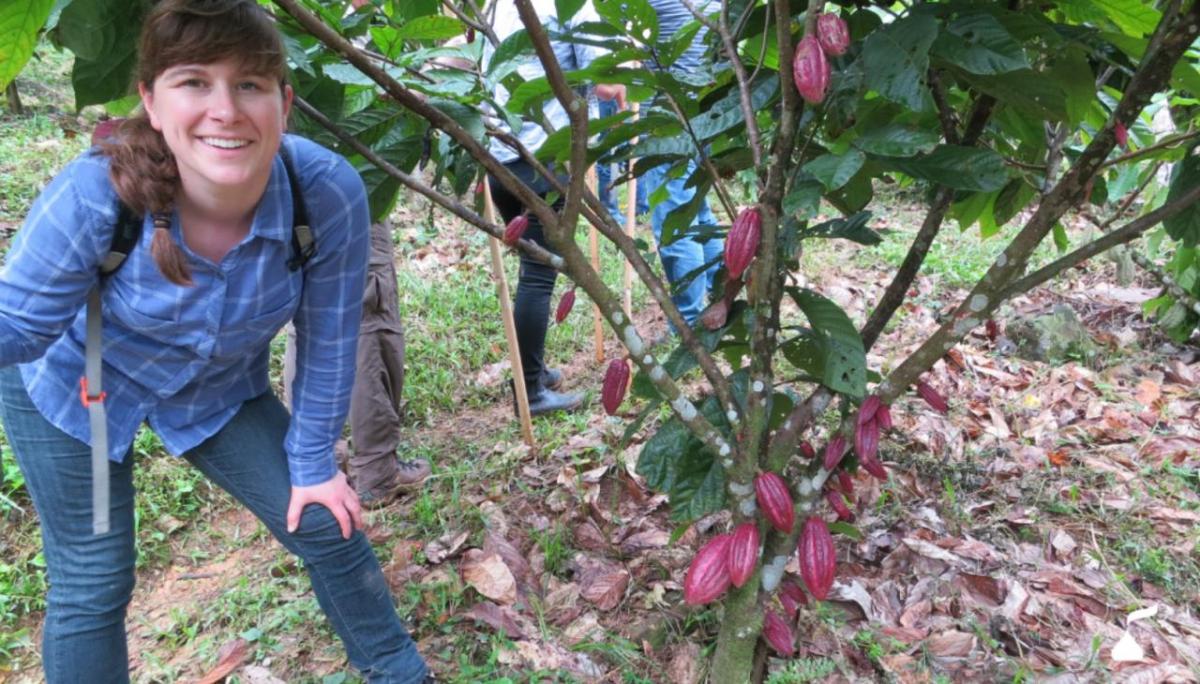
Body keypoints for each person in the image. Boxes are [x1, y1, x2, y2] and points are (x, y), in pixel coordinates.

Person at [0, 1, 428, 681]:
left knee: (323, 520)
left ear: (285, 104)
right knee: (94, 581)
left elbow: (327, 339)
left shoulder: (324, 194)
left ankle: (403, 674)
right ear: (151, 101)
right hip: (80, 384)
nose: (226, 109)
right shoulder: (94, 195)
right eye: (194, 81)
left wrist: (314, 461)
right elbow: (20, 328)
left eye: (250, 84)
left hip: (217, 387)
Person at [485, 0, 625, 416]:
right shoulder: (574, 8)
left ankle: (536, 371)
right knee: (538, 277)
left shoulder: (494, 6)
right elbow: (601, 82)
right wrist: (620, 82)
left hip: (499, 156)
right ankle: (531, 391)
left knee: (530, 270)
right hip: (541, 161)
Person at [283, 219, 431, 508]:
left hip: (287, 203)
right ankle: (377, 473)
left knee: (306, 317)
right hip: (347, 191)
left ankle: (325, 463)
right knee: (366, 316)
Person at [642, 0, 724, 328]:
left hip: (669, 121)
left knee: (675, 222)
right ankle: (721, 297)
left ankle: (688, 321)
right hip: (702, 112)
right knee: (696, 210)